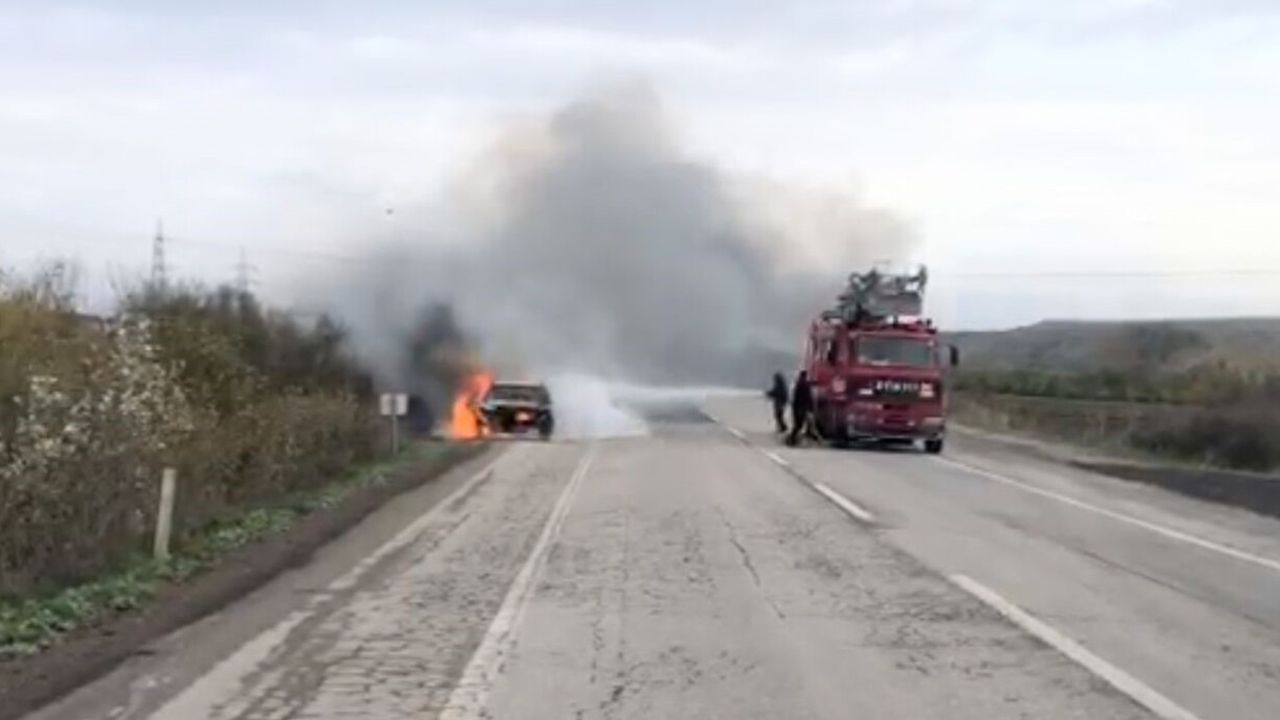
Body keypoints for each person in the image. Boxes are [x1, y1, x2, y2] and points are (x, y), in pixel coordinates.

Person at [787, 370, 814, 446]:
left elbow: (795, 397)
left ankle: (792, 439)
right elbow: (808, 398)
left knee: (798, 424)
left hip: (796, 407)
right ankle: (792, 439)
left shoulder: (798, 383)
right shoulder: (805, 385)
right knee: (799, 424)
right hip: (802, 408)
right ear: (805, 376)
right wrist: (810, 408)